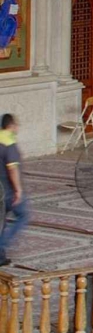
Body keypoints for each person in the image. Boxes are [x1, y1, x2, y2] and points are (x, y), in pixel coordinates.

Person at [0, 114, 29, 268]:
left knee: (2, 221)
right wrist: (18, 190)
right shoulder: (9, 141)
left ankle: (0, 257)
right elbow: (13, 169)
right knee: (23, 216)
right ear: (11, 125)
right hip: (8, 190)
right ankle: (1, 245)